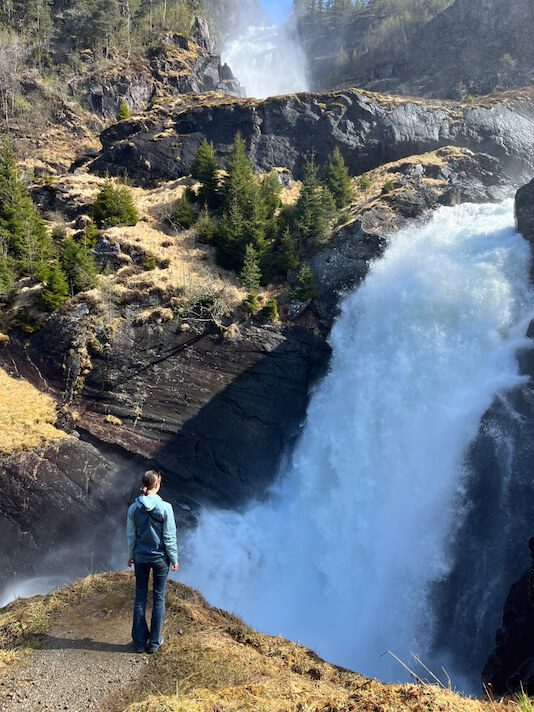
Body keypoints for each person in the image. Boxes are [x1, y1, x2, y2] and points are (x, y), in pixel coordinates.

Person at [127, 470, 179, 653]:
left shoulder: (133, 508)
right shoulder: (166, 508)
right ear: (156, 485)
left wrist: (130, 555)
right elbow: (169, 537)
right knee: (158, 598)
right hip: (160, 559)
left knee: (140, 597)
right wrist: (174, 558)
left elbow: (130, 536)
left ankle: (139, 642)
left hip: (141, 557)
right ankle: (155, 643)